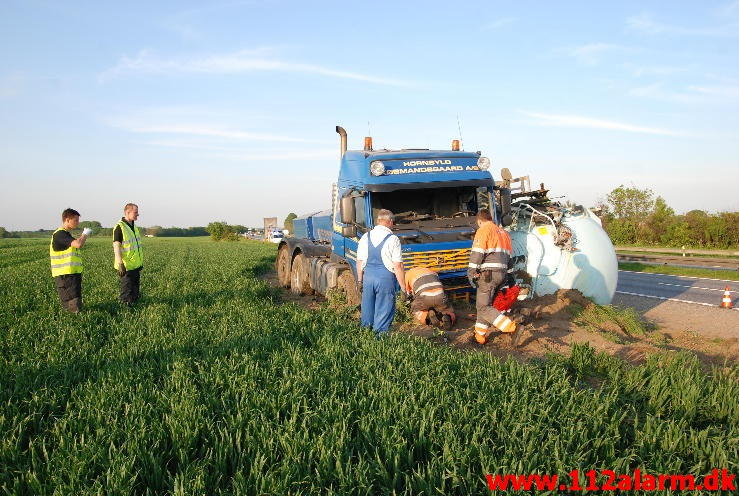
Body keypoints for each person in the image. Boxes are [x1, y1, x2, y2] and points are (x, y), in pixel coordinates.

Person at [467, 208, 517, 344]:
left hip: (488, 275)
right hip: (502, 274)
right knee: (485, 306)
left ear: (479, 221)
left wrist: (471, 273)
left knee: (483, 307)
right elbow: (509, 258)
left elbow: (477, 253)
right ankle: (480, 336)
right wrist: (511, 275)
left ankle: (510, 326)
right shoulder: (504, 233)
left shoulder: (483, 230)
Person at [356, 209, 407, 337]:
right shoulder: (393, 239)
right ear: (390, 222)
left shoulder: (365, 237)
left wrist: (360, 281)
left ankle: (365, 337)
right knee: (384, 310)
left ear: (378, 221)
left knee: (367, 309)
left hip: (368, 278)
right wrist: (403, 287)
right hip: (385, 279)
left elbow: (359, 261)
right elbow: (398, 265)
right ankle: (379, 340)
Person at [50, 208, 92, 313]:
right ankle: (73, 320)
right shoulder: (59, 234)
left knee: (75, 300)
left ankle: (75, 317)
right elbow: (78, 244)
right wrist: (85, 234)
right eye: (76, 220)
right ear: (67, 220)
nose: (78, 223)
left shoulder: (66, 234)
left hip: (71, 273)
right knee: (71, 302)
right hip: (65, 275)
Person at [113, 203, 143, 306]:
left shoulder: (133, 226)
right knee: (127, 292)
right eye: (135, 212)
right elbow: (116, 246)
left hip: (135, 265)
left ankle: (135, 307)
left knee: (135, 291)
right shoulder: (120, 227)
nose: (137, 214)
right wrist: (120, 263)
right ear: (127, 212)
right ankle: (125, 310)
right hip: (126, 266)